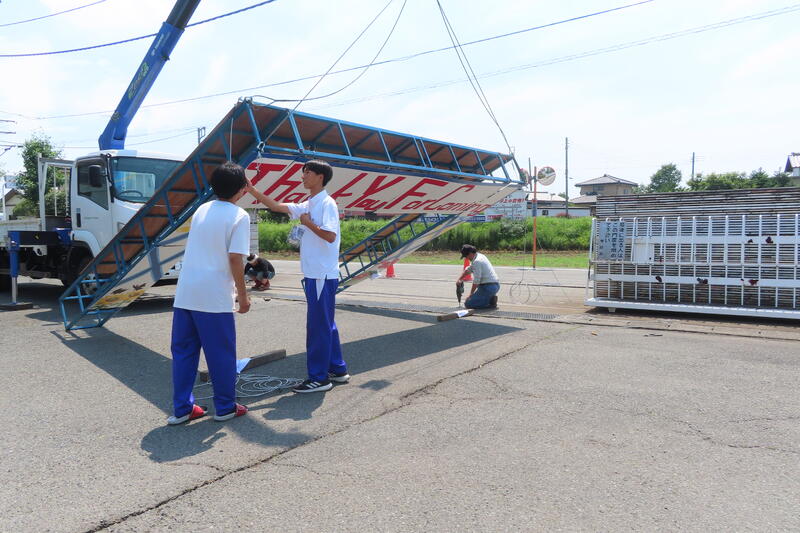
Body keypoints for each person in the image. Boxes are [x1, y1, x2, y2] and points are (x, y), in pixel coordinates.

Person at [246, 159, 349, 393]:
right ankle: (338, 369)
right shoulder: (309, 203)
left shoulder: (326, 203)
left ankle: (319, 378)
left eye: (307, 173)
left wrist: (308, 223)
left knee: (318, 327)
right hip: (316, 274)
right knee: (326, 324)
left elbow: (330, 236)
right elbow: (276, 207)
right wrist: (252, 190)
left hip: (322, 274)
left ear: (320, 176)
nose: (302, 177)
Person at [167, 161, 251, 425]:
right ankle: (225, 407)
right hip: (214, 297)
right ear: (241, 189)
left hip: (186, 293)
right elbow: (236, 259)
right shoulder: (239, 215)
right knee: (221, 354)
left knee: (183, 353)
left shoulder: (202, 209)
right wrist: (243, 295)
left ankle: (182, 408)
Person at [456, 244, 500, 309]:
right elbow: (469, 269)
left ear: (470, 253)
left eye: (466, 256)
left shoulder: (477, 261)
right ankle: (489, 298)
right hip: (491, 285)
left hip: (489, 287)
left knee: (468, 304)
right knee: (471, 301)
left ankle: (490, 302)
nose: (466, 258)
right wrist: (459, 279)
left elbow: (476, 281)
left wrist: (470, 295)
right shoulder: (479, 256)